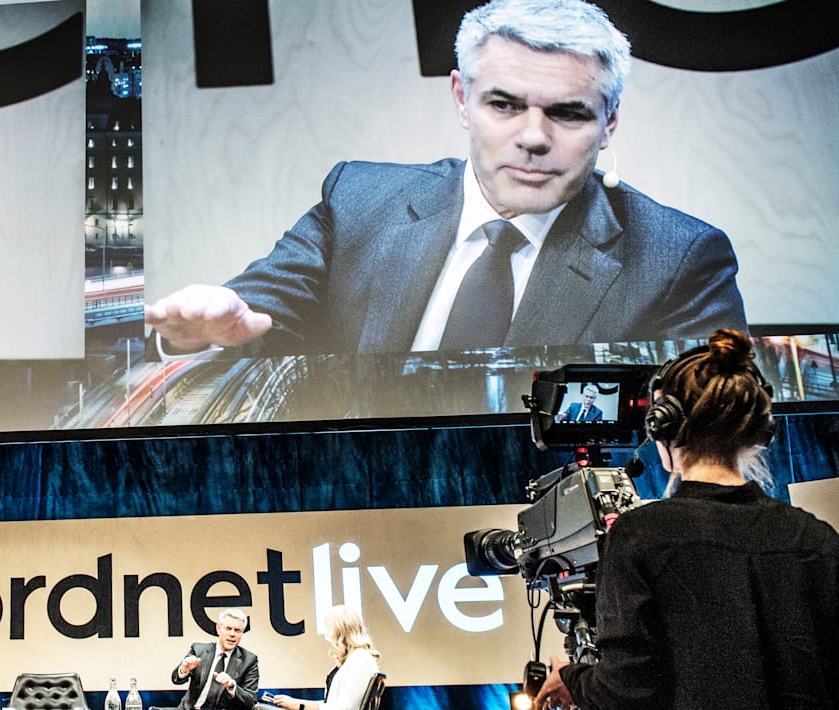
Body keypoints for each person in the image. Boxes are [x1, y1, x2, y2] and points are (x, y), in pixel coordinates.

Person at [144, 0, 746, 358]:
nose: (534, 137)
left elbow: (715, 437)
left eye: (567, 113)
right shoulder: (358, 200)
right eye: (504, 105)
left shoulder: (679, 259)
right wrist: (198, 334)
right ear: (462, 99)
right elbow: (254, 317)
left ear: (609, 122)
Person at [533, 328, 839, 710]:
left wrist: (572, 679)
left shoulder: (638, 536)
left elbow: (624, 691)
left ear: (664, 426)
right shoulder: (816, 538)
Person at [267, 606, 382, 710]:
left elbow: (343, 707)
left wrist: (298, 706)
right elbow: (331, 704)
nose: (327, 633)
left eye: (328, 627)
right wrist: (295, 702)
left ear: (339, 629)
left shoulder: (361, 659)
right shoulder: (353, 659)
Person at [171, 608, 261, 710]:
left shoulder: (249, 660)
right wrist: (184, 669)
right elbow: (176, 679)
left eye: (237, 630)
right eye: (228, 629)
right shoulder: (198, 650)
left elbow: (251, 701)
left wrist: (232, 687)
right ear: (218, 628)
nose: (232, 634)